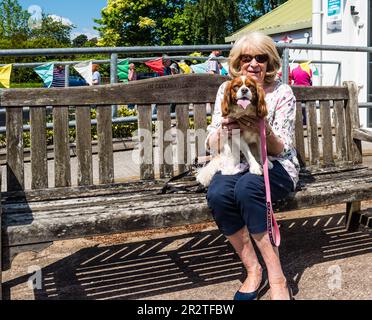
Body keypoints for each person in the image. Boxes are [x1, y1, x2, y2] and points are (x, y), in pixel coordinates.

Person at [205, 32, 299, 300]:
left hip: (276, 164)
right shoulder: (227, 89)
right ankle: (253, 269)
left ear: (270, 62)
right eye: (247, 58)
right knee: (219, 194)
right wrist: (224, 129)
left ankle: (278, 277)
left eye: (261, 58)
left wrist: (263, 128)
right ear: (238, 61)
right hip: (234, 160)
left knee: (248, 189)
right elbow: (212, 142)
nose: (254, 63)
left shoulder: (282, 92)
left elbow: (283, 148)